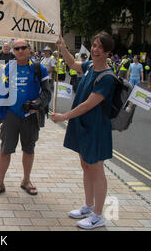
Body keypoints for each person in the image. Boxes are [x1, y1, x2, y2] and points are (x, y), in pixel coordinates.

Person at [50, 32, 116, 230]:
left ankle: (98, 216)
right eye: (94, 45)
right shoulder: (89, 68)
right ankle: (88, 206)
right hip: (83, 125)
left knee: (96, 170)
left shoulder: (107, 77)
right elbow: (72, 64)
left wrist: (64, 116)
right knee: (86, 165)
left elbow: (88, 104)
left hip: (95, 128)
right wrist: (62, 46)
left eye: (100, 47)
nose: (95, 50)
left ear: (107, 52)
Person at [0, 39, 51, 198]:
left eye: (24, 47)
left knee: (29, 149)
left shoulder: (38, 69)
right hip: (11, 115)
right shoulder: (6, 69)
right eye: (17, 48)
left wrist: (38, 103)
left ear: (29, 50)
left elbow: (47, 92)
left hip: (30, 116)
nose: (20, 50)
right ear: (13, 51)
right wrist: (0, 109)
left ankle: (26, 180)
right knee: (5, 149)